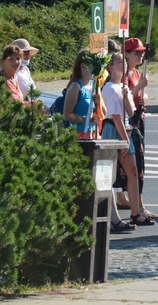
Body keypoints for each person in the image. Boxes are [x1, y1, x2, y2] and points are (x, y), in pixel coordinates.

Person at [62, 49, 133, 232]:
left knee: (104, 178)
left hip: (95, 136)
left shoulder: (93, 86)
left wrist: (96, 105)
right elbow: (67, 114)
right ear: (84, 66)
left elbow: (101, 112)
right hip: (80, 138)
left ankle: (114, 219)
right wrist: (84, 119)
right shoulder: (75, 87)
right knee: (83, 181)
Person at [101, 52, 155, 227]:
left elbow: (131, 113)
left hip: (126, 129)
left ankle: (135, 213)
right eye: (118, 62)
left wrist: (127, 97)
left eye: (124, 63)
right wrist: (125, 140)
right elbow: (115, 117)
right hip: (114, 129)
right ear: (110, 67)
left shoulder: (122, 86)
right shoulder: (108, 87)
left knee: (132, 172)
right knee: (108, 175)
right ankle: (111, 215)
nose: (123, 65)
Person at [121, 38, 156, 219]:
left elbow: (137, 95)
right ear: (126, 54)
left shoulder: (135, 73)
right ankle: (135, 205)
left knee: (139, 164)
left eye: (142, 52)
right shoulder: (124, 74)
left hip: (138, 119)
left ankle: (140, 205)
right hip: (129, 120)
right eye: (136, 52)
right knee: (131, 167)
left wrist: (144, 95)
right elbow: (124, 98)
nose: (141, 54)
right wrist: (139, 89)